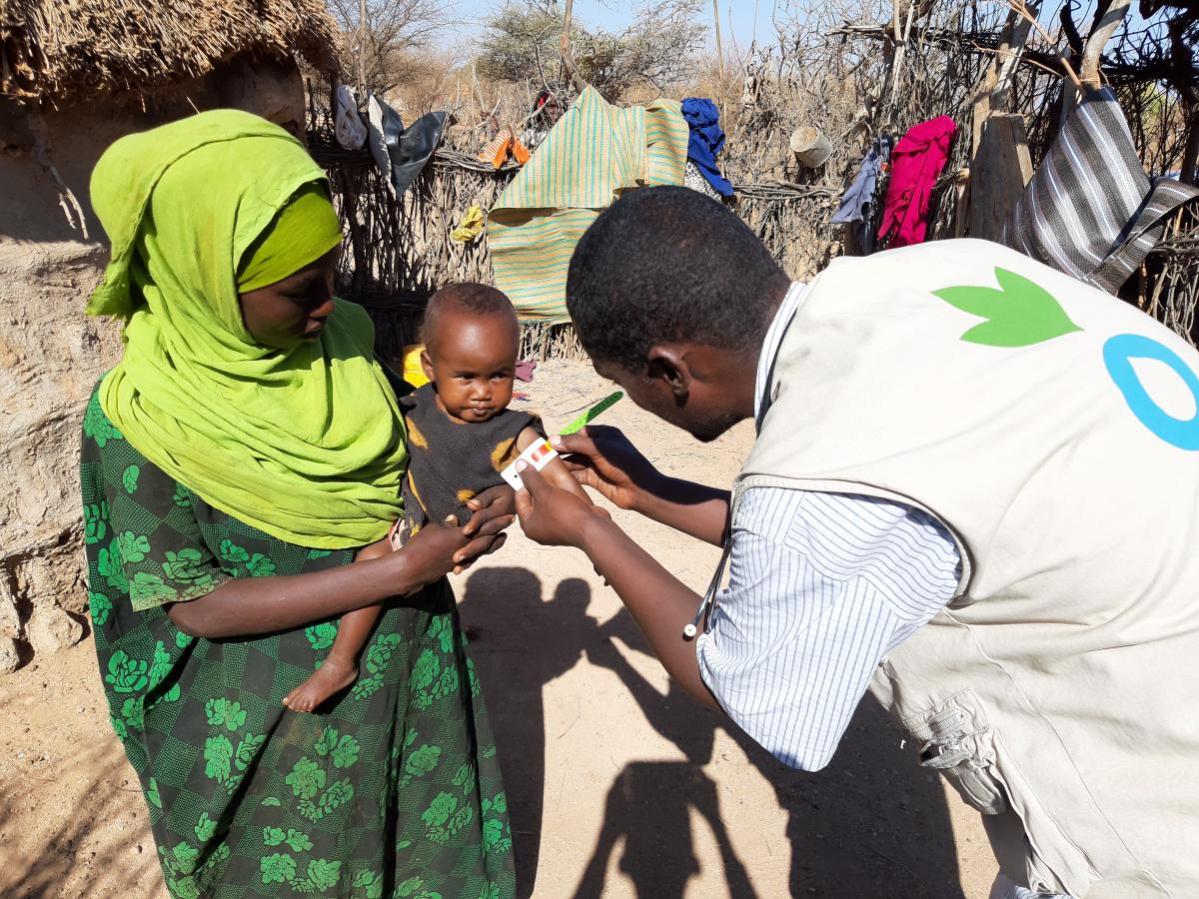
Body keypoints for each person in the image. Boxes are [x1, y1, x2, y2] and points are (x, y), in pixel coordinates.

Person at [512, 185, 1199, 898]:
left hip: (1153, 825)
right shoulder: (932, 275)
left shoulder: (816, 466)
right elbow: (862, 539)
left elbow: (745, 683)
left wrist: (590, 529)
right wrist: (649, 491)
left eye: (623, 384)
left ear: (668, 371)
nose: (635, 402)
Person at [81, 110, 515, 898]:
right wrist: (391, 575)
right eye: (298, 292)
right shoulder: (137, 417)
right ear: (203, 277)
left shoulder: (344, 345)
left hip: (408, 683)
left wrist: (468, 518)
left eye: (331, 275)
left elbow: (408, 487)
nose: (328, 305)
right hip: (269, 726)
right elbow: (197, 607)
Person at [284, 282, 588, 712]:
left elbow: (556, 474)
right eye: (466, 376)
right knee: (372, 561)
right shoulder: (416, 403)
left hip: (446, 532)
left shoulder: (515, 429)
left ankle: (339, 662)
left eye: (499, 374)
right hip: (407, 513)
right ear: (429, 366)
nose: (483, 392)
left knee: (373, 565)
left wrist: (592, 524)